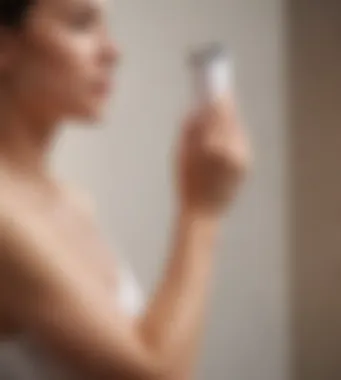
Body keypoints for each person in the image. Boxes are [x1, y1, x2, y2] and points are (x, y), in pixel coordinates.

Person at [0, 0, 250, 379]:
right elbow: (157, 371)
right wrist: (202, 212)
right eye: (81, 24)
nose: (113, 51)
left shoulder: (72, 201)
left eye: (106, 25)